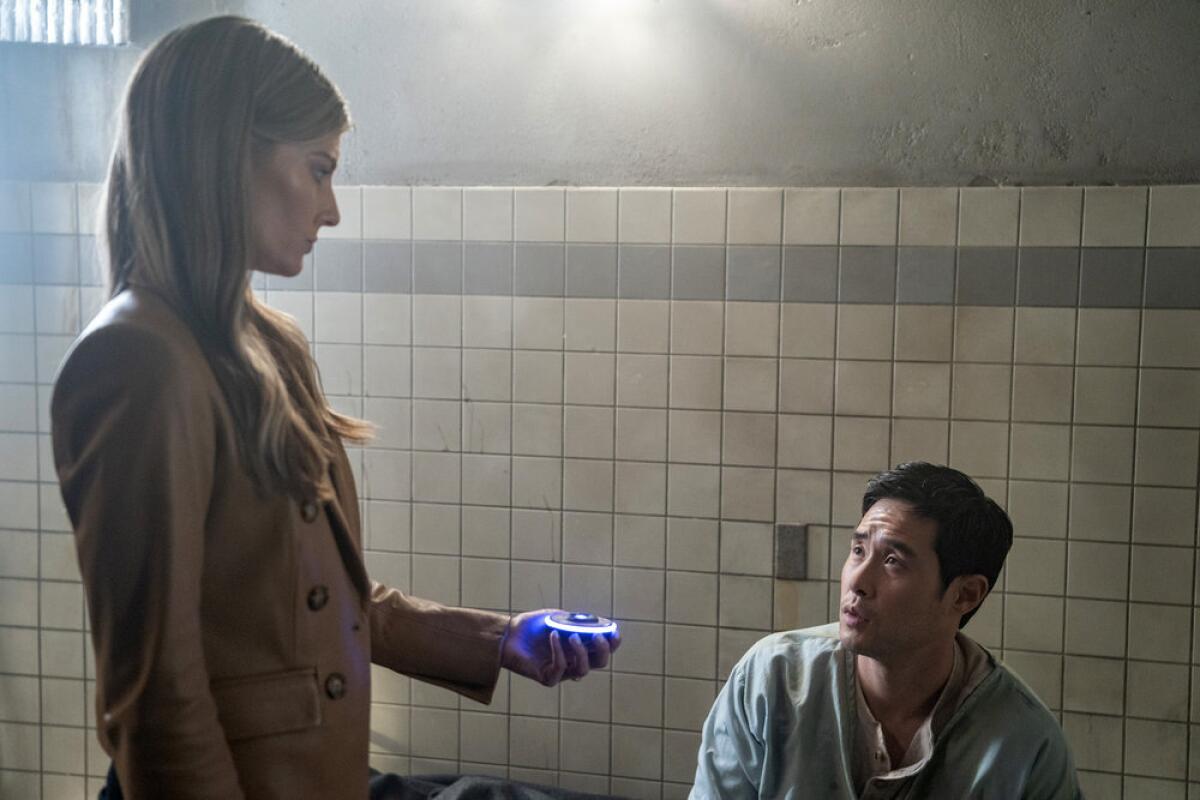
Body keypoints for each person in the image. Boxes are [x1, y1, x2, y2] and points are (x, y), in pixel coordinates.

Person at [50, 16, 617, 800]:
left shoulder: (261, 342)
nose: (332, 207)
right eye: (317, 170)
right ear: (228, 157)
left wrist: (502, 639)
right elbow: (156, 699)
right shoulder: (136, 361)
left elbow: (316, 606)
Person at [691, 462, 1080, 799]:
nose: (857, 581)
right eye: (858, 551)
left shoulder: (1024, 742)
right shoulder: (772, 679)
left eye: (893, 561)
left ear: (965, 594)